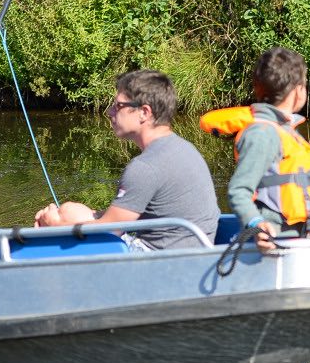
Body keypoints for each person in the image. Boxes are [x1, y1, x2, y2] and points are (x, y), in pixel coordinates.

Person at [200, 46, 310, 253]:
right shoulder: (262, 134)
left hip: (303, 241)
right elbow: (239, 191)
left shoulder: (286, 132)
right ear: (298, 91)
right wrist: (257, 224)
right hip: (276, 244)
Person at [34, 69, 218, 251]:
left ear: (144, 112)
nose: (109, 112)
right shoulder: (184, 148)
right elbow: (114, 220)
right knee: (71, 210)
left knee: (62, 218)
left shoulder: (145, 167)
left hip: (163, 264)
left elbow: (109, 232)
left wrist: (55, 225)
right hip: (193, 254)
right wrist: (71, 215)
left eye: (118, 106)